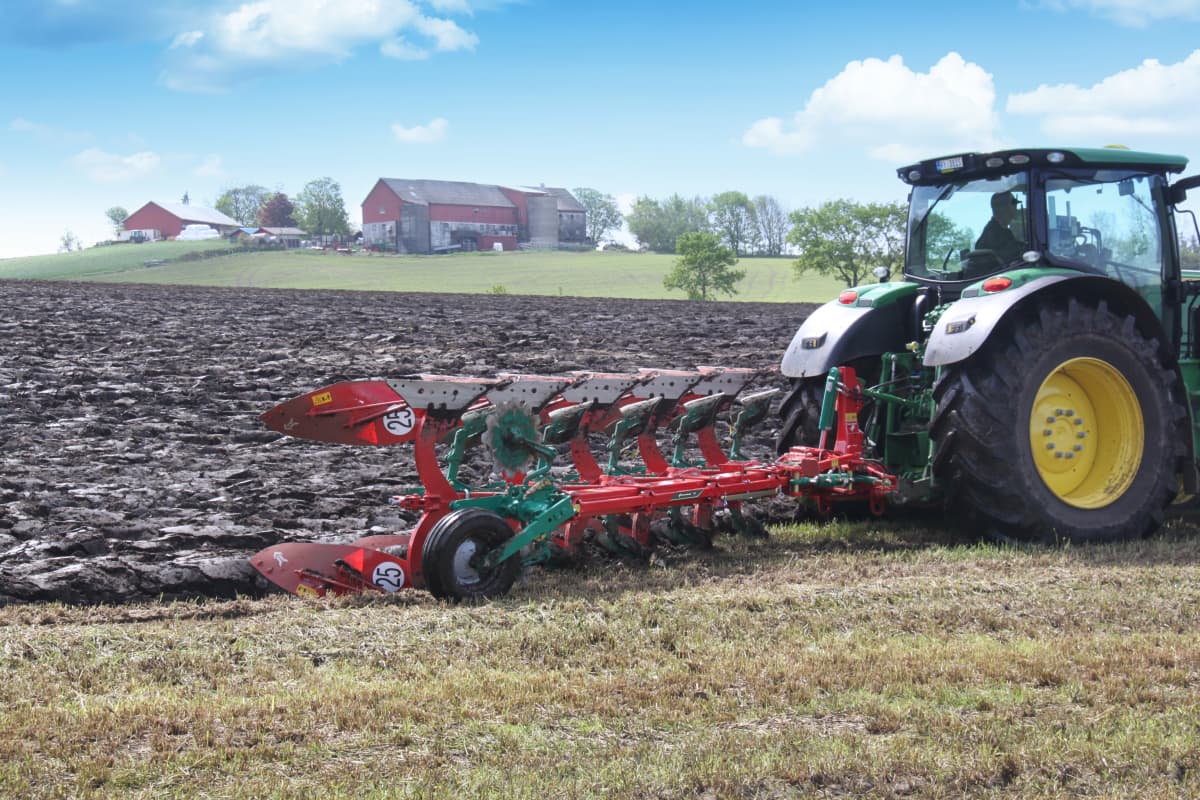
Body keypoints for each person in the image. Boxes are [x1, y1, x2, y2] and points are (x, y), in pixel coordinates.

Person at [974, 191, 1026, 265]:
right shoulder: (996, 234)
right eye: (1014, 203)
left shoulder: (992, 229)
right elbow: (1009, 256)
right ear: (1003, 208)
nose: (1016, 208)